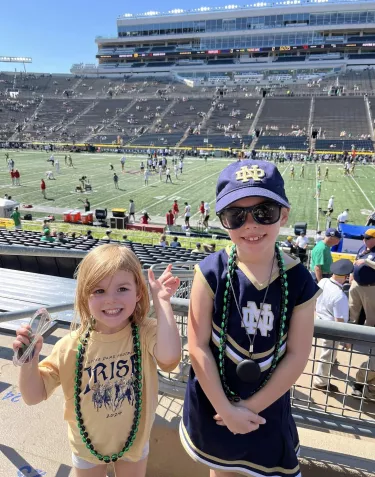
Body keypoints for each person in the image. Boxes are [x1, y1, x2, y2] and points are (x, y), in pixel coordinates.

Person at [180, 160, 320, 477]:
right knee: (221, 470)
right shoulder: (209, 272)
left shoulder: (299, 281)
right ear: (223, 222)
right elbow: (198, 346)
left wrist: (248, 409)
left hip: (266, 407)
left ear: (284, 215)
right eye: (236, 216)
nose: (251, 225)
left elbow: (298, 355)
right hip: (215, 404)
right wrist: (226, 410)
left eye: (264, 212)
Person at [13, 244, 181, 476]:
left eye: (122, 288)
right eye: (99, 291)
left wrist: (162, 301)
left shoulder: (146, 332)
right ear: (84, 295)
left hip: (134, 444)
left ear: (139, 292)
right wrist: (29, 362)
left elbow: (170, 358)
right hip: (87, 450)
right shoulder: (69, 346)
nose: (111, 300)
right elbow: (33, 396)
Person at [313, 259, 353, 393]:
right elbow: (339, 322)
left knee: (326, 353)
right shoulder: (340, 296)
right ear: (346, 276)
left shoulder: (323, 281)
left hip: (320, 320)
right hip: (331, 328)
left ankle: (332, 363)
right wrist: (346, 341)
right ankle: (321, 382)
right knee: (327, 355)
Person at [349, 231, 375, 400]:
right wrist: (352, 276)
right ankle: (348, 336)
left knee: (371, 315)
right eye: (364, 237)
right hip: (357, 284)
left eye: (367, 238)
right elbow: (355, 262)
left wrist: (366, 261)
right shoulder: (363, 247)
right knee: (352, 310)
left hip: (371, 288)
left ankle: (367, 340)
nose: (364, 240)